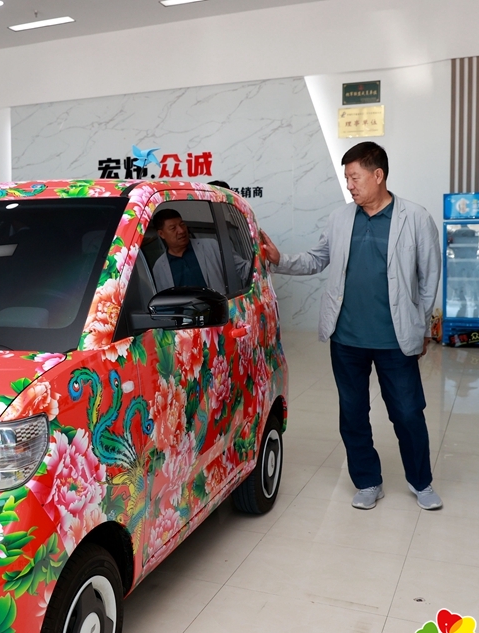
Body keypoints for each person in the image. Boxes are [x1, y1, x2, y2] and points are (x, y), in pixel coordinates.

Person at [259, 141, 442, 510]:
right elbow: (317, 259)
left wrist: (422, 327)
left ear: (378, 175)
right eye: (347, 179)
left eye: (355, 178)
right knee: (353, 413)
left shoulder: (415, 218)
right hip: (347, 339)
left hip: (395, 339)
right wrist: (280, 259)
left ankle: (421, 482)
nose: (350, 185)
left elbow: (429, 277)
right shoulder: (341, 218)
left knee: (407, 412)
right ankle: (367, 481)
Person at [150, 209, 228, 292]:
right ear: (161, 234)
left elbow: (238, 268)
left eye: (182, 224)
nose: (181, 230)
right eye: (173, 228)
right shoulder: (159, 268)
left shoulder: (211, 246)